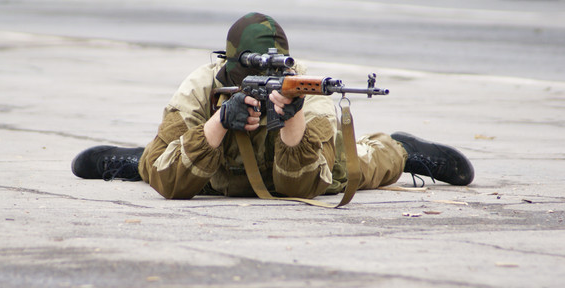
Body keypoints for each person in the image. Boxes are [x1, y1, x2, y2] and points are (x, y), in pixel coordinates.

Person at [71, 12, 474, 201]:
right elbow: (169, 182)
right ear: (228, 64)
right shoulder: (201, 85)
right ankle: (135, 159)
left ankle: (401, 149)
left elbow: (299, 188)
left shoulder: (304, 89)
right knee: (157, 164)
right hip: (214, 173)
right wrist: (220, 122)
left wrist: (292, 119)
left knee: (359, 165)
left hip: (311, 167)